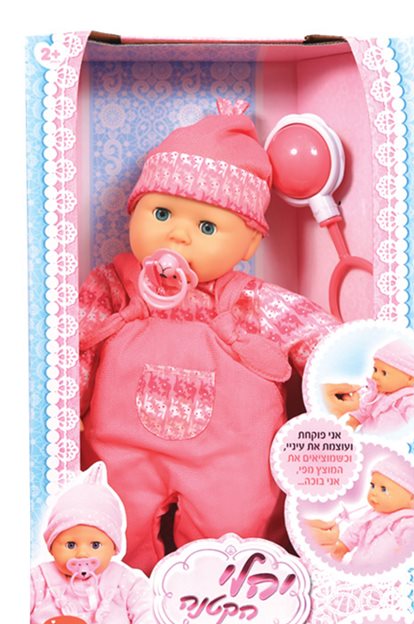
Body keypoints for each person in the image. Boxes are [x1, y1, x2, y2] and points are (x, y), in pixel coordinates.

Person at [79, 99, 339, 575]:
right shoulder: (115, 287)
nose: (178, 235)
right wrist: (57, 414)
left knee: (234, 528)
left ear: (250, 243)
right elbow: (69, 351)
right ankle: (122, 596)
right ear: (133, 212)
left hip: (231, 456)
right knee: (110, 524)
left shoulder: (250, 302)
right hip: (121, 448)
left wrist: (357, 379)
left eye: (205, 226)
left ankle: (223, 593)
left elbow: (319, 339)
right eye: (161, 213)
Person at [30, 462, 161, 624]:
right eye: (71, 544)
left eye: (95, 545)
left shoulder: (126, 582)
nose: (82, 553)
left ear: (114, 548)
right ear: (51, 546)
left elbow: (149, 611)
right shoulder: (38, 579)